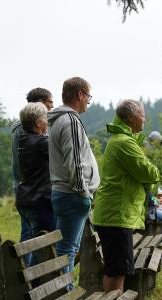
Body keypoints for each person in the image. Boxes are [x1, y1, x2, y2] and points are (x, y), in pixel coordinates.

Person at [91, 100, 160, 293]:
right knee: (116, 269)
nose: (145, 119)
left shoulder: (123, 140)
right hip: (115, 215)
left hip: (116, 214)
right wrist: (153, 172)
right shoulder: (124, 143)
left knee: (118, 268)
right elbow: (149, 173)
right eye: (142, 115)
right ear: (130, 117)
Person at [48, 77, 100, 286]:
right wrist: (84, 193)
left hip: (64, 193)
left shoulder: (58, 120)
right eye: (88, 96)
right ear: (80, 95)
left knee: (67, 249)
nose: (88, 101)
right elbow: (75, 162)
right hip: (72, 195)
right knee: (67, 250)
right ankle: (64, 295)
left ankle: (64, 293)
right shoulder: (70, 121)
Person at [11, 87, 53, 262]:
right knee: (41, 243)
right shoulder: (40, 140)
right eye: (49, 105)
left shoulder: (20, 132)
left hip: (25, 192)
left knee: (31, 239)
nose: (50, 112)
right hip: (38, 195)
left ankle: (27, 280)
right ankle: (33, 284)